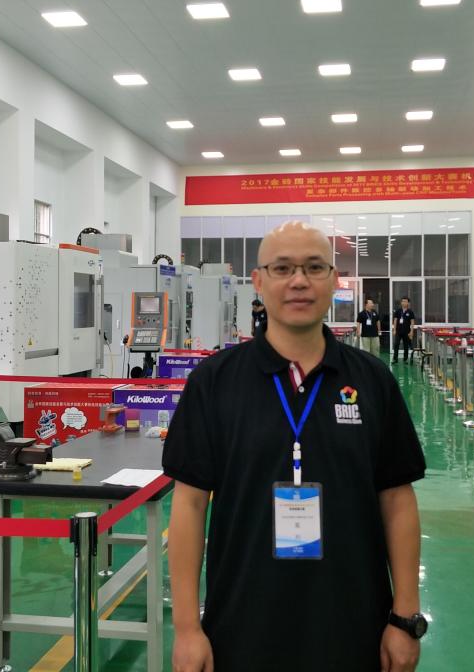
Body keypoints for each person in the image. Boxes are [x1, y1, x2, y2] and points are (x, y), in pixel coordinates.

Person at [163, 221, 427, 672]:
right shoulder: (214, 382)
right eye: (283, 268)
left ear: (334, 280)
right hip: (242, 625)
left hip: (355, 625)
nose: (299, 281)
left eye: (314, 267)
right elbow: (189, 505)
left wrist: (404, 618)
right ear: (259, 281)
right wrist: (187, 628)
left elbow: (397, 500)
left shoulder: (372, 380)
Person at [392, 297, 419, 364]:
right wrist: (394, 330)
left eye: (405, 301)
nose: (404, 303)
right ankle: (395, 359)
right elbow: (395, 320)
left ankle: (405, 359)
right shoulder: (398, 311)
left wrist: (411, 331)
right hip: (398, 331)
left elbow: (412, 322)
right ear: (401, 302)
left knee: (406, 345)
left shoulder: (410, 312)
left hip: (406, 332)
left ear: (408, 303)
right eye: (403, 301)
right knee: (396, 344)